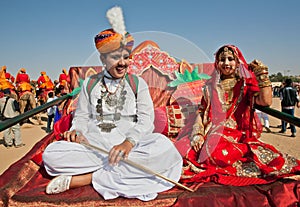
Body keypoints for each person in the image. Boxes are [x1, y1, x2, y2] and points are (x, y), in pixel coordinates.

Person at [42, 6, 182, 201]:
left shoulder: (136, 83)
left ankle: (88, 178)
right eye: (116, 57)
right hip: (95, 147)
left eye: (126, 57)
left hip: (131, 147)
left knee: (165, 150)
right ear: (103, 58)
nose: (123, 63)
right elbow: (81, 116)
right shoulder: (90, 84)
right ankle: (116, 174)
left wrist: (128, 143)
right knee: (51, 155)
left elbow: (146, 120)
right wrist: (77, 131)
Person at [179, 45, 300, 185]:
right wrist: (197, 134)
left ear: (237, 62)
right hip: (210, 129)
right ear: (217, 63)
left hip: (236, 133)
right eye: (222, 59)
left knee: (216, 152)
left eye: (230, 59)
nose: (226, 63)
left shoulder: (244, 85)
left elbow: (265, 101)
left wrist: (262, 74)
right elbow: (201, 112)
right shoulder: (209, 86)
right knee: (183, 148)